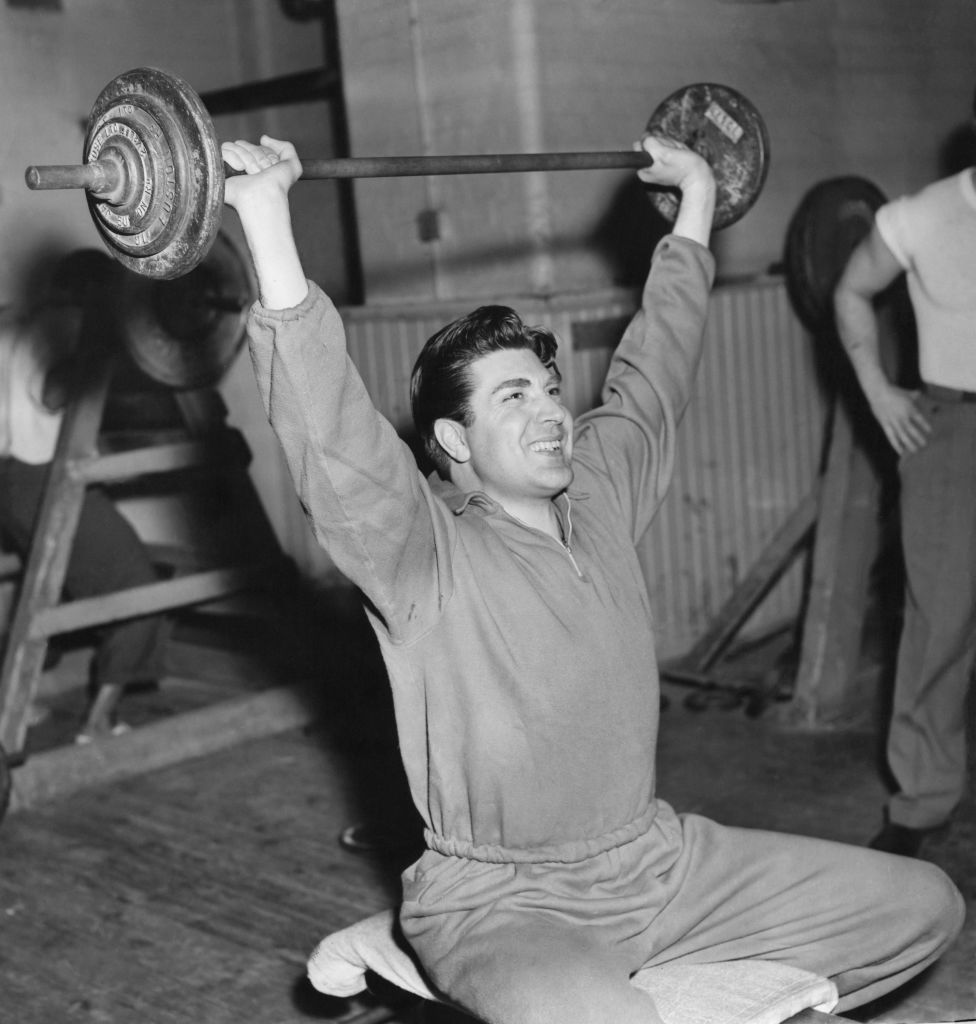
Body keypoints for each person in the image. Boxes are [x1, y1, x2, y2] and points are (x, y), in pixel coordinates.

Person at [222, 132, 964, 1024]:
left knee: (924, 907)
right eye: (513, 398)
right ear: (452, 443)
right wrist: (267, 223)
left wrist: (695, 201)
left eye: (546, 386)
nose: (549, 411)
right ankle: (444, 951)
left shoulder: (599, 494)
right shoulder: (419, 552)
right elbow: (331, 438)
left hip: (655, 864)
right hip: (502, 902)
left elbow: (654, 374)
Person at [833, 158, 976, 858]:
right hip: (952, 432)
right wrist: (879, 390)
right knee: (938, 620)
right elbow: (851, 290)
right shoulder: (919, 216)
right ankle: (922, 800)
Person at [0, 250, 169, 741]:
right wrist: (99, 357)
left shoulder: (12, 317)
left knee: (49, 589)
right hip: (41, 481)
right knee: (140, 591)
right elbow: (52, 393)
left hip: (7, 483)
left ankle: (14, 706)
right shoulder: (70, 327)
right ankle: (98, 722)